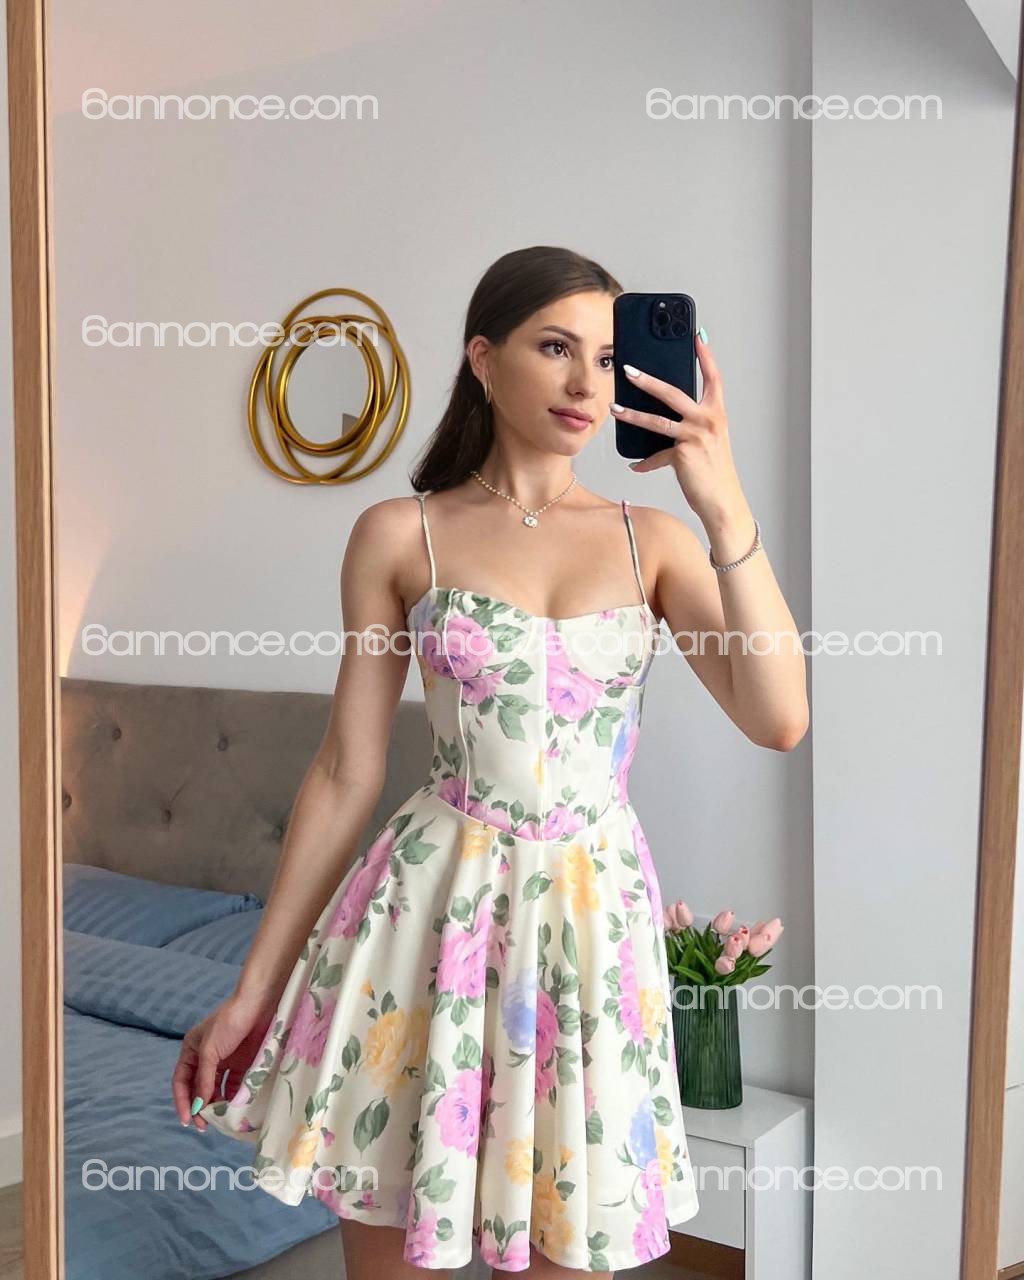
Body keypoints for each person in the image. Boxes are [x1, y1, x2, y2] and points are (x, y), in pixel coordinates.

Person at [172, 245, 808, 1279]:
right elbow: (345, 771)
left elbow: (779, 717)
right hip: (428, 914)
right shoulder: (399, 534)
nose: (585, 382)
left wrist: (723, 501)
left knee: (573, 1240)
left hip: (592, 927)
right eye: (554, 347)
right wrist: (254, 989)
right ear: (482, 357)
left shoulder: (653, 540)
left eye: (606, 359)